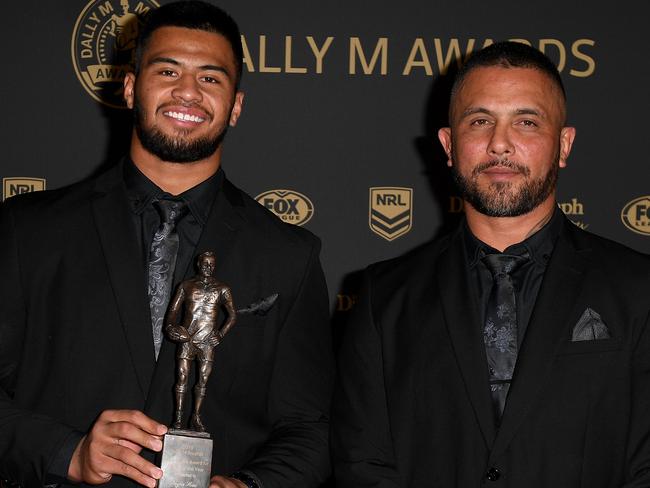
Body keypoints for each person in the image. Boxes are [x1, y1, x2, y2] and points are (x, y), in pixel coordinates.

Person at [0, 2, 332, 488]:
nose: (188, 92)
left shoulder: (288, 255)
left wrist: (252, 484)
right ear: (131, 88)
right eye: (168, 70)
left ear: (236, 105)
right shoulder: (27, 231)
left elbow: (310, 428)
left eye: (211, 78)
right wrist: (66, 452)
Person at [332, 41, 650, 487]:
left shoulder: (638, 290)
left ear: (564, 145)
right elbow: (362, 465)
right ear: (448, 144)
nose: (500, 143)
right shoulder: (385, 298)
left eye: (526, 122)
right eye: (480, 121)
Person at [165, 251, 237, 432]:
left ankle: (196, 416)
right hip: (187, 339)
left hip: (207, 342)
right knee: (182, 377)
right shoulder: (186, 285)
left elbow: (232, 315)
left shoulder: (222, 288)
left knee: (202, 381)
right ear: (198, 264)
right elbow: (172, 313)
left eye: (212, 264)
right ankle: (179, 418)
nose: (208, 267)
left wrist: (220, 334)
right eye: (205, 264)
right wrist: (171, 328)